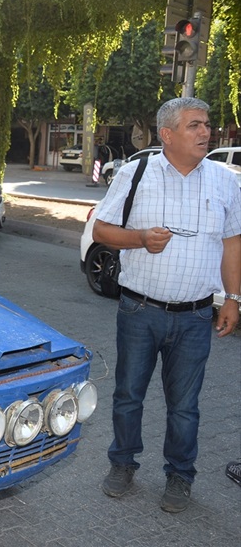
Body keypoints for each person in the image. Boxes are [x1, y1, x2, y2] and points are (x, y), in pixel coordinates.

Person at [93, 97, 241, 513]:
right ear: (167, 134)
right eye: (194, 125)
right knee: (128, 396)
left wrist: (233, 298)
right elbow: (102, 229)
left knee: (185, 406)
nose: (205, 132)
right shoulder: (136, 173)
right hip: (140, 311)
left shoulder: (225, 181)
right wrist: (140, 238)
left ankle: (179, 475)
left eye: (207, 125)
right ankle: (122, 463)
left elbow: (233, 243)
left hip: (195, 315)